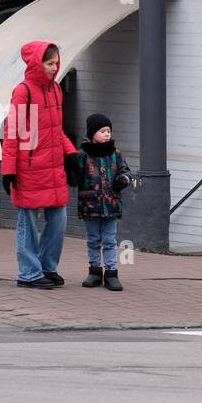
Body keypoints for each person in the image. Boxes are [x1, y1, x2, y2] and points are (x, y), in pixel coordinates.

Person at [1, 41, 80, 289]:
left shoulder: (55, 90)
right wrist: (8, 170)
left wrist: (72, 153)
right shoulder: (23, 91)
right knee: (28, 221)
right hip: (29, 168)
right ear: (37, 63)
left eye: (56, 63)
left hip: (54, 168)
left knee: (59, 220)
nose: (55, 68)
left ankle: (47, 267)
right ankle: (29, 273)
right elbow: (12, 132)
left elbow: (56, 131)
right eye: (49, 63)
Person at [76, 113, 132, 291]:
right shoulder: (83, 155)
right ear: (92, 133)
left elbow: (126, 171)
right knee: (93, 239)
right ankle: (94, 272)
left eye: (109, 131)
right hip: (90, 205)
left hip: (111, 205)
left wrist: (123, 179)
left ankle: (111, 273)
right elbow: (75, 176)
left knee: (109, 240)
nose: (107, 134)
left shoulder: (115, 154)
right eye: (103, 131)